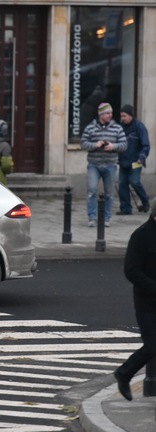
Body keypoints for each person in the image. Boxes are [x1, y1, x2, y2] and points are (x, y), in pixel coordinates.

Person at [113, 196, 156, 401]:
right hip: (147, 303)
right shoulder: (141, 236)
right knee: (152, 346)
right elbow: (131, 270)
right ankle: (124, 373)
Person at [81, 102, 127, 227]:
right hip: (94, 164)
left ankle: (106, 218)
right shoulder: (90, 128)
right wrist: (95, 145)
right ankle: (92, 217)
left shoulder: (117, 128)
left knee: (109, 194)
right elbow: (83, 143)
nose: (110, 115)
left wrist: (113, 146)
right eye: (107, 113)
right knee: (91, 191)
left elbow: (124, 145)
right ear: (101, 114)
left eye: (111, 113)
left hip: (110, 165)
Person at [117, 104, 150, 215]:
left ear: (131, 115)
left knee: (134, 181)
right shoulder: (120, 127)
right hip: (123, 162)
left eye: (124, 116)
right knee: (122, 184)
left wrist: (142, 157)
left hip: (136, 161)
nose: (123, 118)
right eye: (121, 116)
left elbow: (145, 145)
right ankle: (126, 208)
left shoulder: (139, 127)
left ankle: (145, 201)